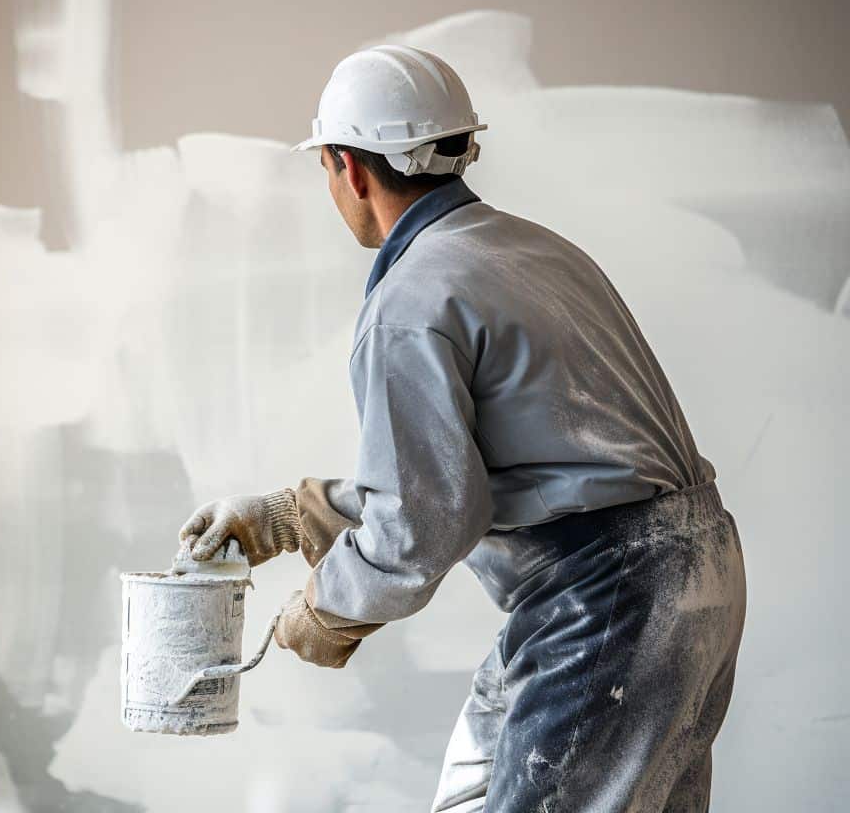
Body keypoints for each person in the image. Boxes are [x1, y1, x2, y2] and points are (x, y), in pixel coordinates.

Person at [177, 45, 746, 812]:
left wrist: (323, 614)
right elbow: (479, 470)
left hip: (604, 602)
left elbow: (421, 521)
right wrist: (288, 517)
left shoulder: (410, 303)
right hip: (688, 574)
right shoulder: (532, 251)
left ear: (348, 167)